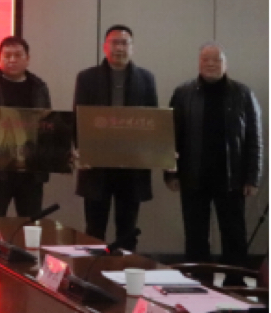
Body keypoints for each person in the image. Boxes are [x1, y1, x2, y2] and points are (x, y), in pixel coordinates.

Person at [166, 43, 262, 280]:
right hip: (193, 176)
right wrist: (171, 173)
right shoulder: (183, 93)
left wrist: (252, 177)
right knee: (195, 236)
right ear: (199, 62)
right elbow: (170, 136)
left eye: (216, 59)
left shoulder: (243, 93)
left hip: (232, 178)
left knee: (234, 235)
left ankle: (235, 283)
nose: (210, 64)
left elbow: (255, 138)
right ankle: (201, 282)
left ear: (225, 63)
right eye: (205, 59)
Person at [74, 24, 157, 249]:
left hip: (132, 166)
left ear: (132, 48)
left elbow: (153, 122)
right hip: (96, 165)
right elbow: (78, 118)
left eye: (124, 43)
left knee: (127, 229)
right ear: (105, 47)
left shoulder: (146, 78)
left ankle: (125, 269)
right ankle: (93, 267)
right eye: (114, 43)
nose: (119, 48)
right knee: (94, 228)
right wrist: (79, 151)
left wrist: (157, 152)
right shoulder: (87, 77)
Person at [0, 36, 52, 217]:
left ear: (27, 58)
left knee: (30, 222)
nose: (12, 60)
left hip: (31, 171)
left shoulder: (39, 88)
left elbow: (48, 125)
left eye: (17, 55)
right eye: (7, 55)